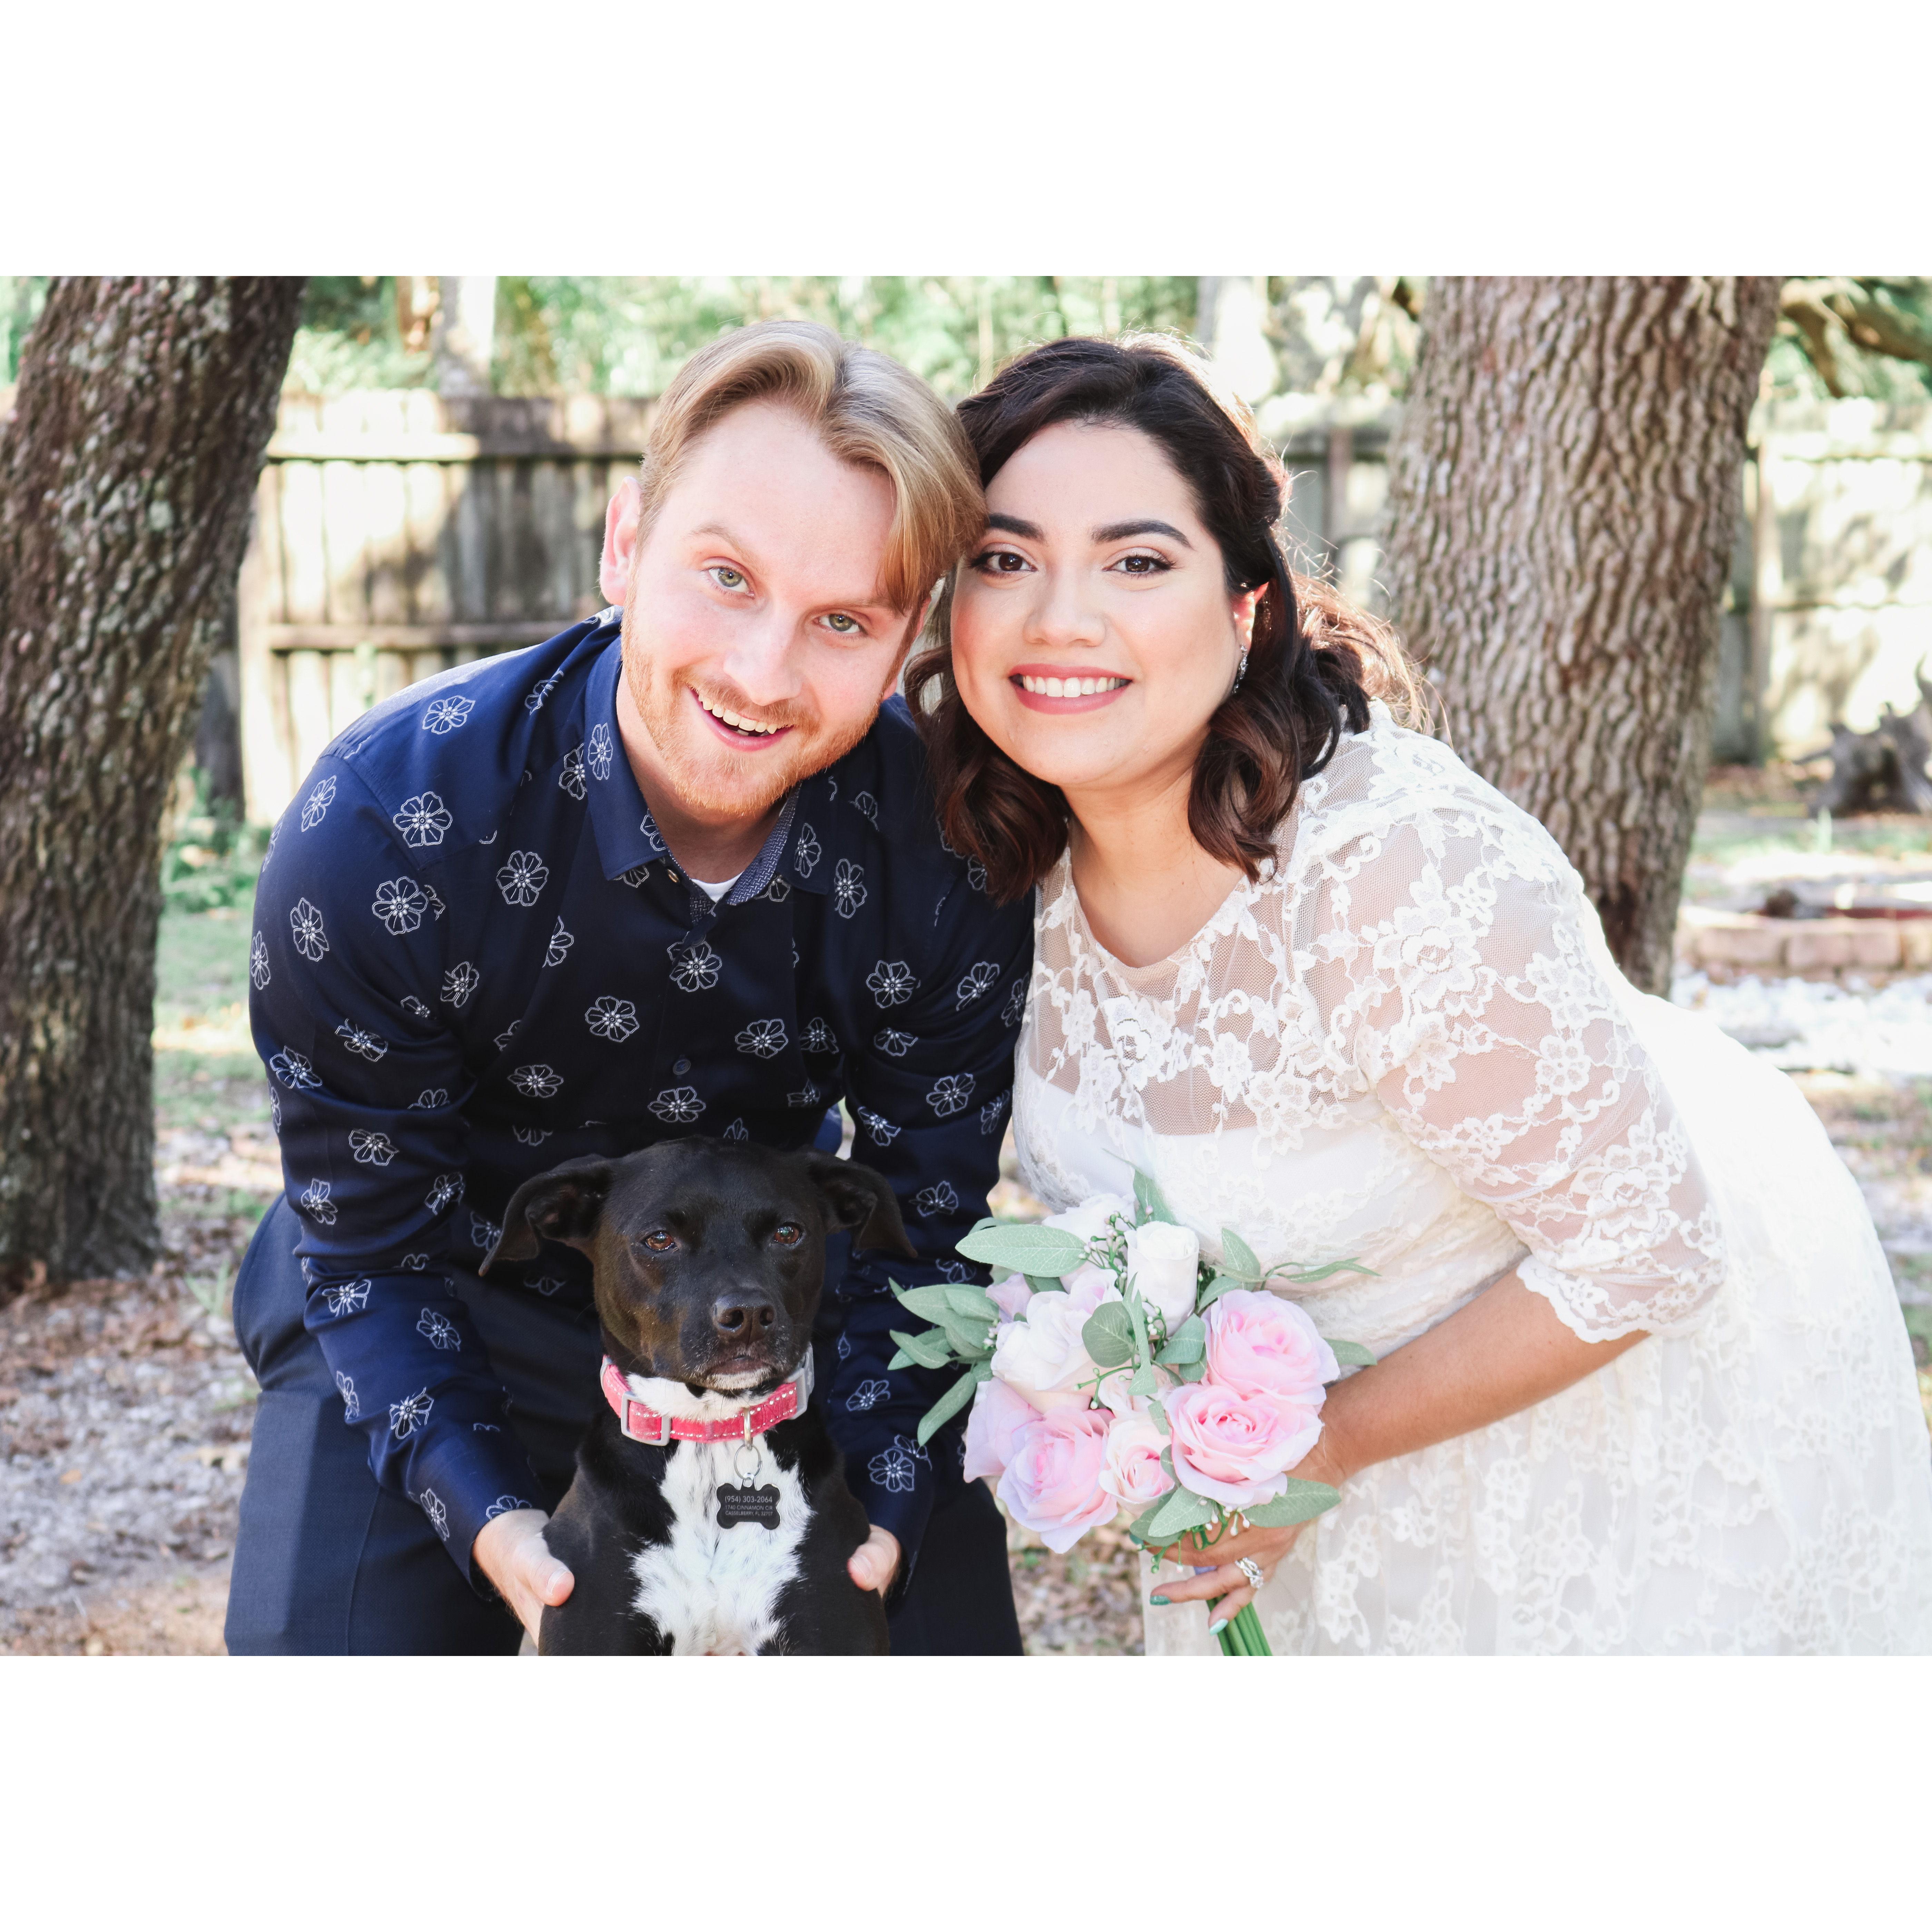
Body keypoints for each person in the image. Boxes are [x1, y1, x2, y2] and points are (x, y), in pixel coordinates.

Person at [913, 332, 1932, 1654]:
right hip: (1265, 1516)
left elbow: (1646, 1246)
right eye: (1005, 558)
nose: (1060, 616)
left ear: (1248, 610)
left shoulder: (1399, 871)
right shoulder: (985, 855)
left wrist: (1321, 1442)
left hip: (1575, 1464)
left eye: (1137, 560)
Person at [226, 319, 1031, 1655]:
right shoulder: (382, 830)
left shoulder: (945, 853)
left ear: (905, 647)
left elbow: (923, 1225)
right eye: (725, 576)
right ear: (624, 544)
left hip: (774, 1298)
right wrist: (502, 1531)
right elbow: (367, 1249)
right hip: (446, 1288)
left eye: (844, 619)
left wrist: (887, 1499)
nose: (763, 672)